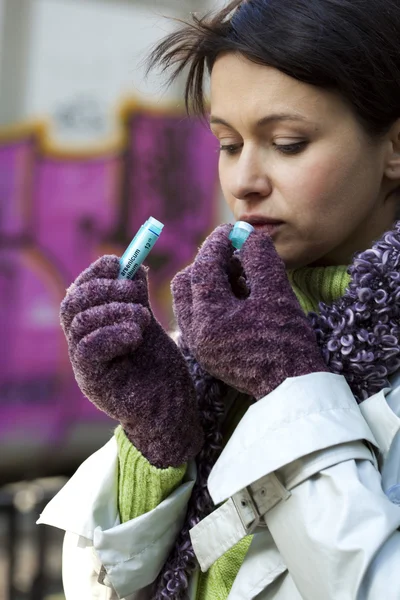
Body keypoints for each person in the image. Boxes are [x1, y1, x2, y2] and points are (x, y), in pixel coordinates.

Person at [38, 0, 400, 598]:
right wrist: (157, 440)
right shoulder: (227, 339)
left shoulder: (259, 346)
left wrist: (290, 391)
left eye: (287, 143)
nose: (243, 181)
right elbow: (99, 584)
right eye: (229, 144)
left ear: (393, 147)